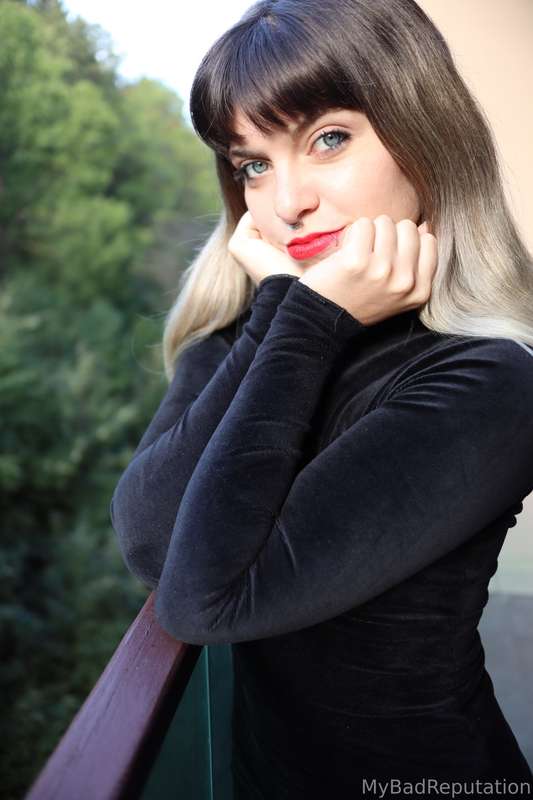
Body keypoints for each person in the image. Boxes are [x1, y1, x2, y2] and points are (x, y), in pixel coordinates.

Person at [110, 0, 533, 795]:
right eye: (252, 164)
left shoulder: (488, 379)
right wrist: (291, 315)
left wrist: (302, 320)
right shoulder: (255, 330)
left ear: (424, 136)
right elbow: (149, 543)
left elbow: (203, 603)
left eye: (328, 139)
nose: (286, 201)